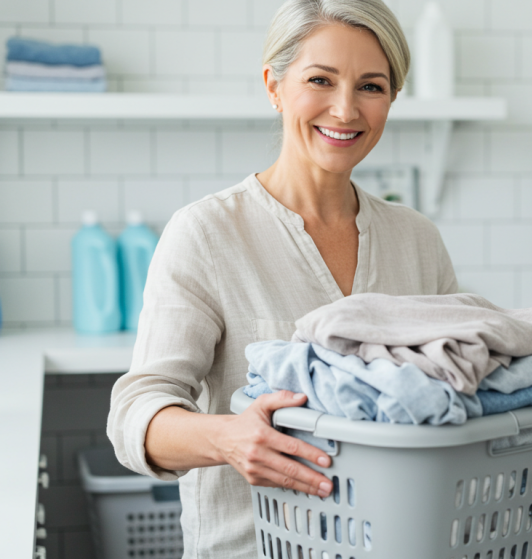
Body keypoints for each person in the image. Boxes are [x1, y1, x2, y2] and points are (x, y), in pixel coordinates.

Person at [107, 1, 457, 557]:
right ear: (274, 85)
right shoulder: (207, 233)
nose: (345, 110)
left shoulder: (417, 240)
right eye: (321, 79)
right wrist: (228, 438)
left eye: (372, 86)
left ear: (391, 99)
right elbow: (135, 416)